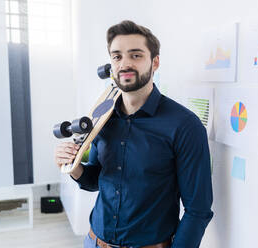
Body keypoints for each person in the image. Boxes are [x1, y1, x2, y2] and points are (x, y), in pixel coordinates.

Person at [54, 20, 213, 248]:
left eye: (136, 55)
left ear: (155, 62)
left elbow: (198, 210)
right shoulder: (102, 117)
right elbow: (96, 180)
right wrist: (74, 166)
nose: (124, 64)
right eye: (117, 56)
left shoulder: (184, 125)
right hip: (94, 242)